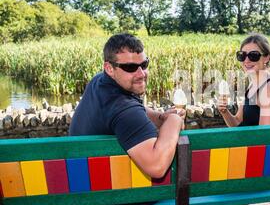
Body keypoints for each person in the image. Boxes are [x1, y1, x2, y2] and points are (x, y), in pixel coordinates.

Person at [70, 33, 185, 185]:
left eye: (144, 65)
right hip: (115, 195)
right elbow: (157, 167)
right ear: (109, 68)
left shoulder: (99, 82)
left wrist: (161, 117)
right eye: (130, 67)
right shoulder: (125, 110)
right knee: (188, 174)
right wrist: (174, 120)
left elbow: (133, 110)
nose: (141, 74)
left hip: (83, 185)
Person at [211, 33, 270, 205]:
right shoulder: (253, 86)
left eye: (253, 55)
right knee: (213, 166)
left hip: (267, 163)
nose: (246, 60)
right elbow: (236, 124)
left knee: (209, 172)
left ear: (267, 58)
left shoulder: (269, 88)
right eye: (242, 55)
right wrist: (225, 111)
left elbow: (263, 137)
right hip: (257, 156)